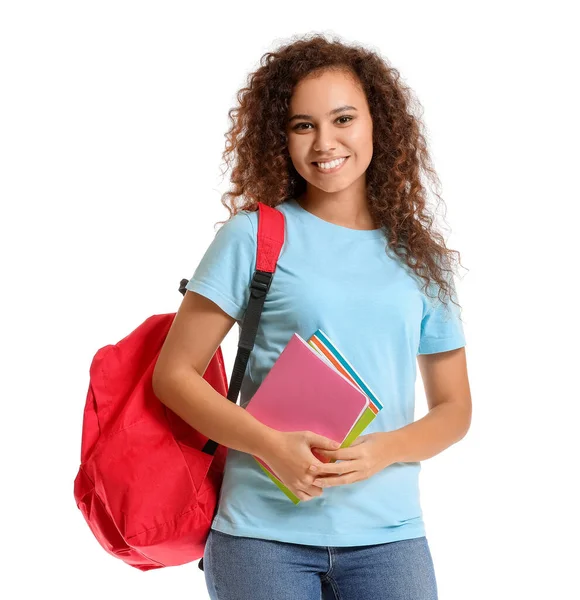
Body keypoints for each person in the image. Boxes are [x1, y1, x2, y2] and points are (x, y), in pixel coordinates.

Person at [152, 32, 472, 600]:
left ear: (379, 125)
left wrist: (383, 451)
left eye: (343, 119)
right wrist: (270, 445)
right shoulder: (253, 236)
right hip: (260, 538)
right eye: (303, 125)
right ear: (283, 137)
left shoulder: (423, 260)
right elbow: (173, 376)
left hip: (389, 537)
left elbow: (454, 410)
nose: (325, 142)